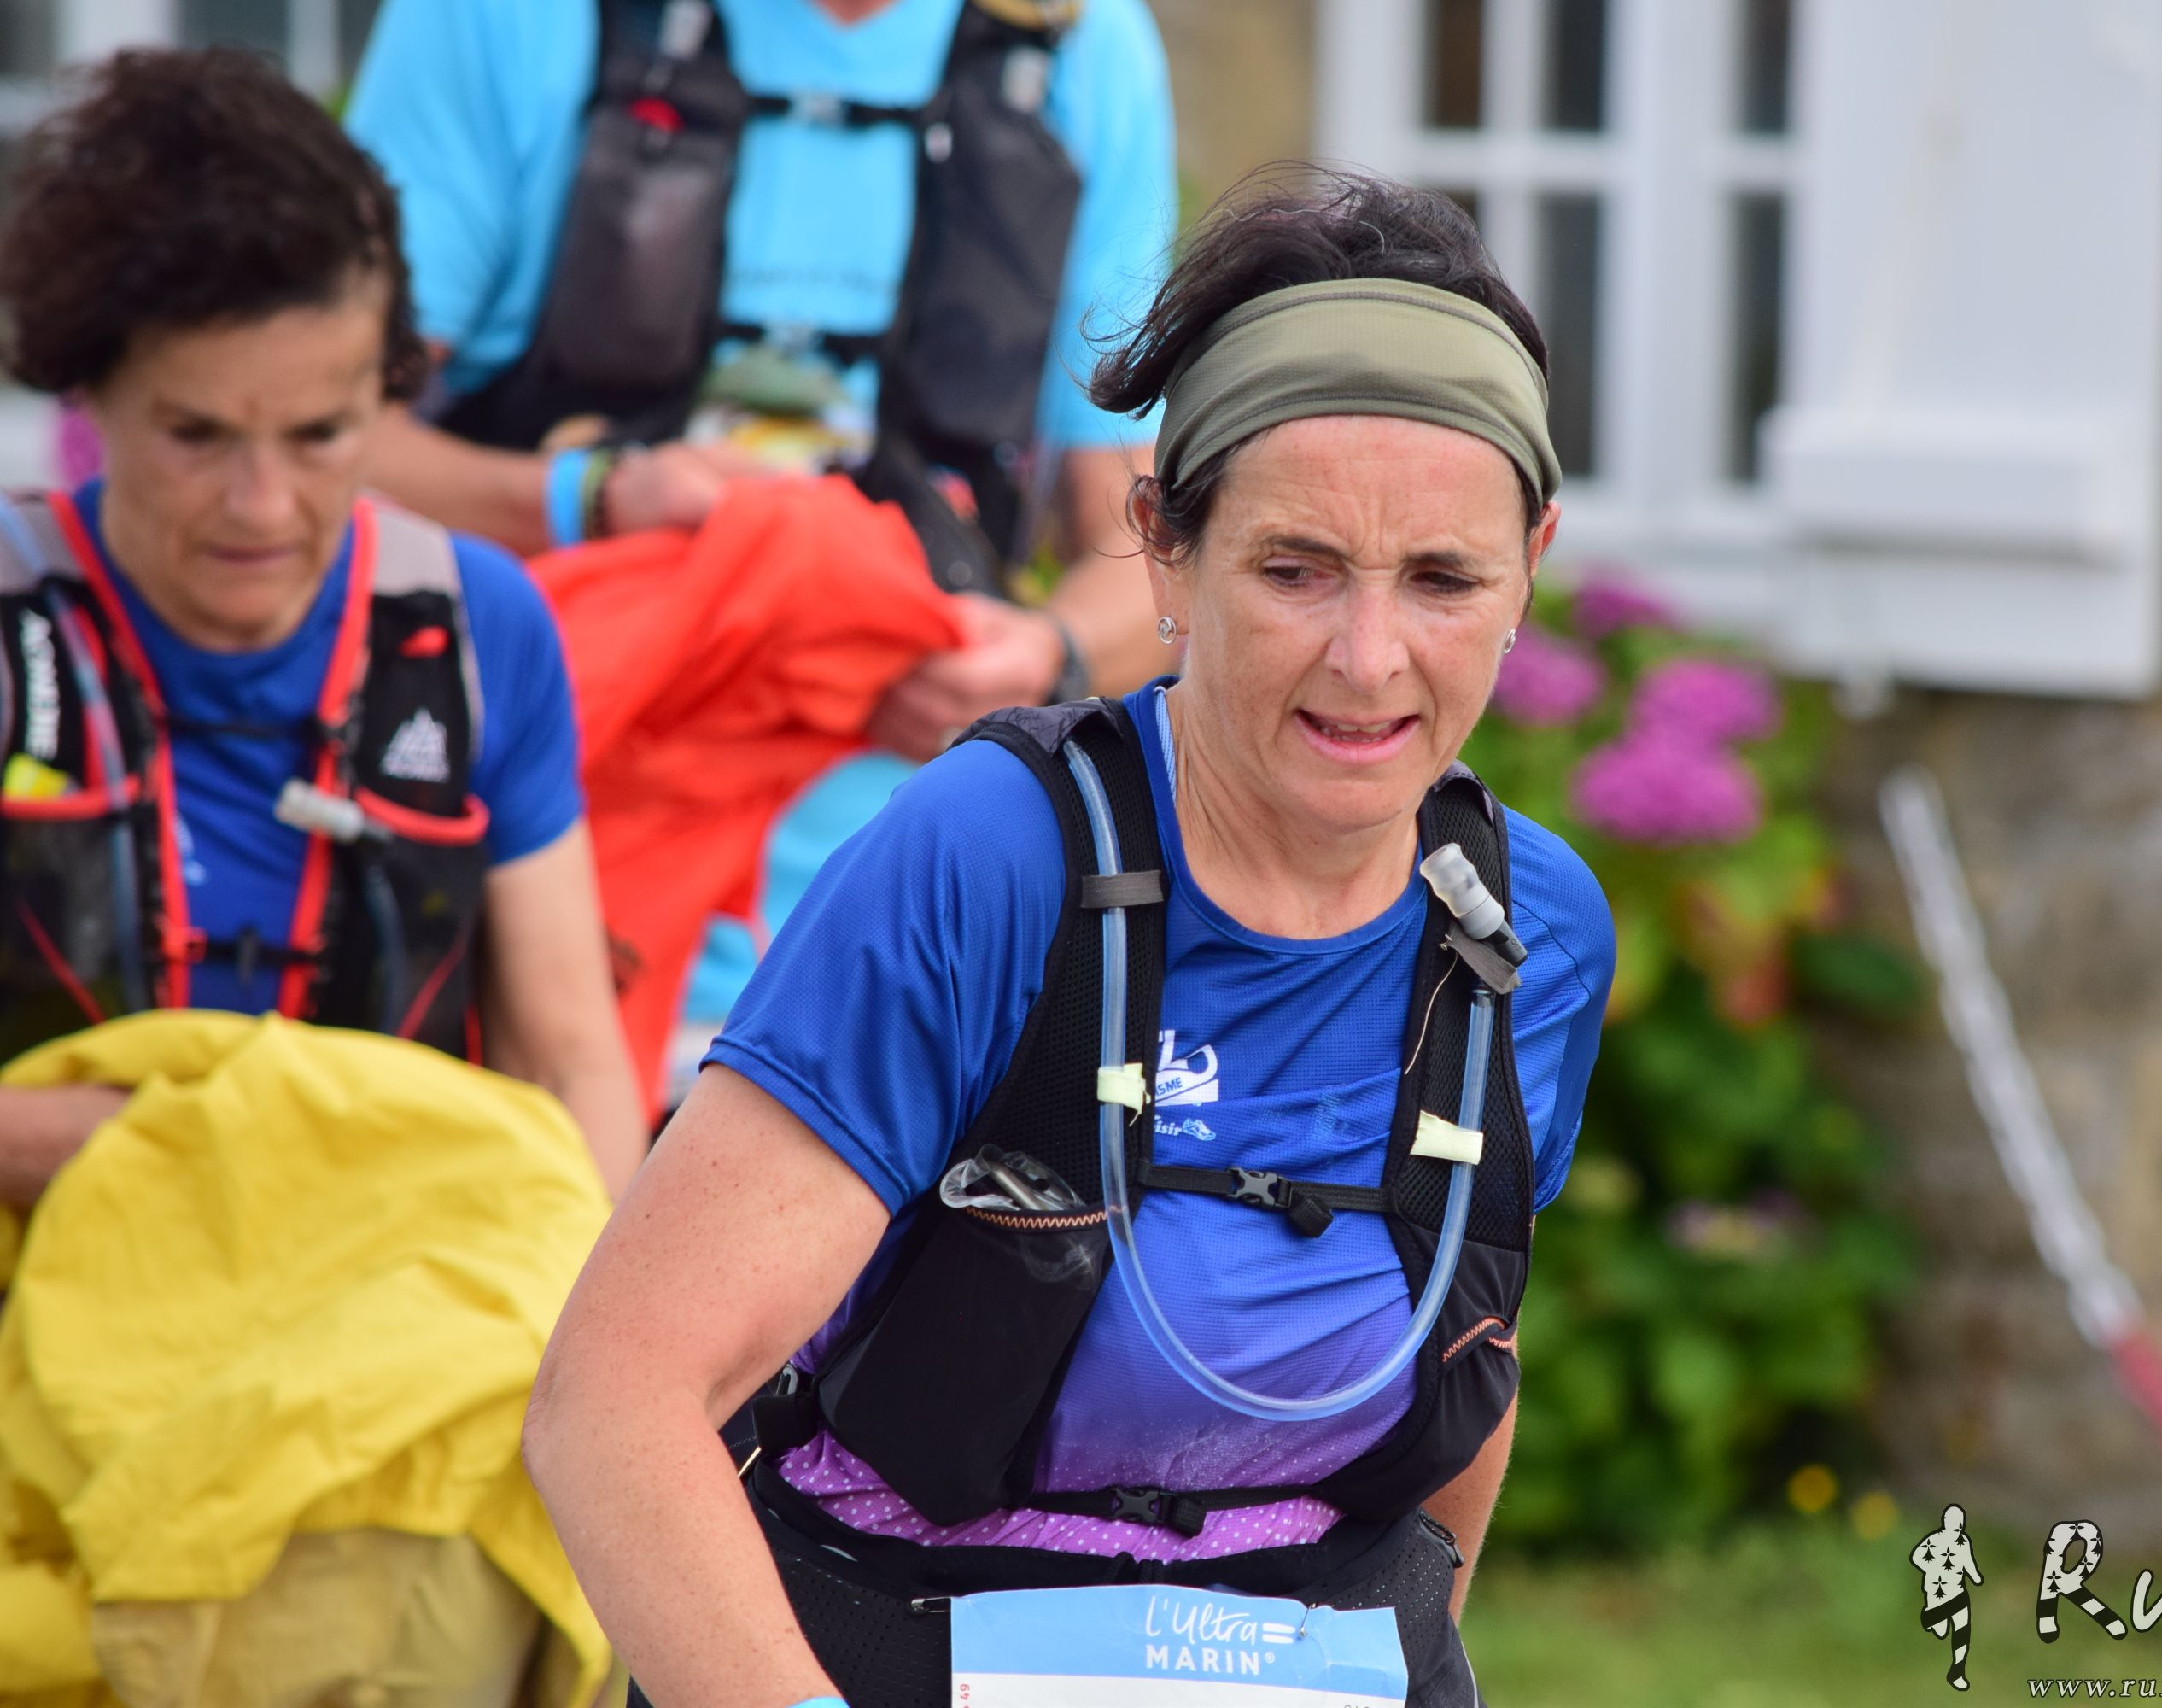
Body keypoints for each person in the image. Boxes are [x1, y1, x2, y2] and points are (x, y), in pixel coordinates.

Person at [525, 171, 1616, 1705]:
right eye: (1294, 570)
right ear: (1163, 544)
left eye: (1443, 579)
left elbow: (1459, 1376)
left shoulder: (1519, 929)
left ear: (1532, 562)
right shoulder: (994, 860)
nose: (1370, 661)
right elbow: (615, 1402)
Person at [0, 48, 645, 1202]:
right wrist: (239, 1148)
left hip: (402, 1294)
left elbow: (568, 1062)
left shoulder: (479, 626)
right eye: (196, 436)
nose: (262, 506)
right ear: (89, 392)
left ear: (386, 394)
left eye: (320, 435)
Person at [342, 0, 1177, 756]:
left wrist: (1049, 656)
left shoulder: (1079, 43)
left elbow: (1155, 550)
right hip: (542, 763)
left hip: (900, 820)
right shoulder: (502, 18)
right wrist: (590, 498)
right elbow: (316, 438)